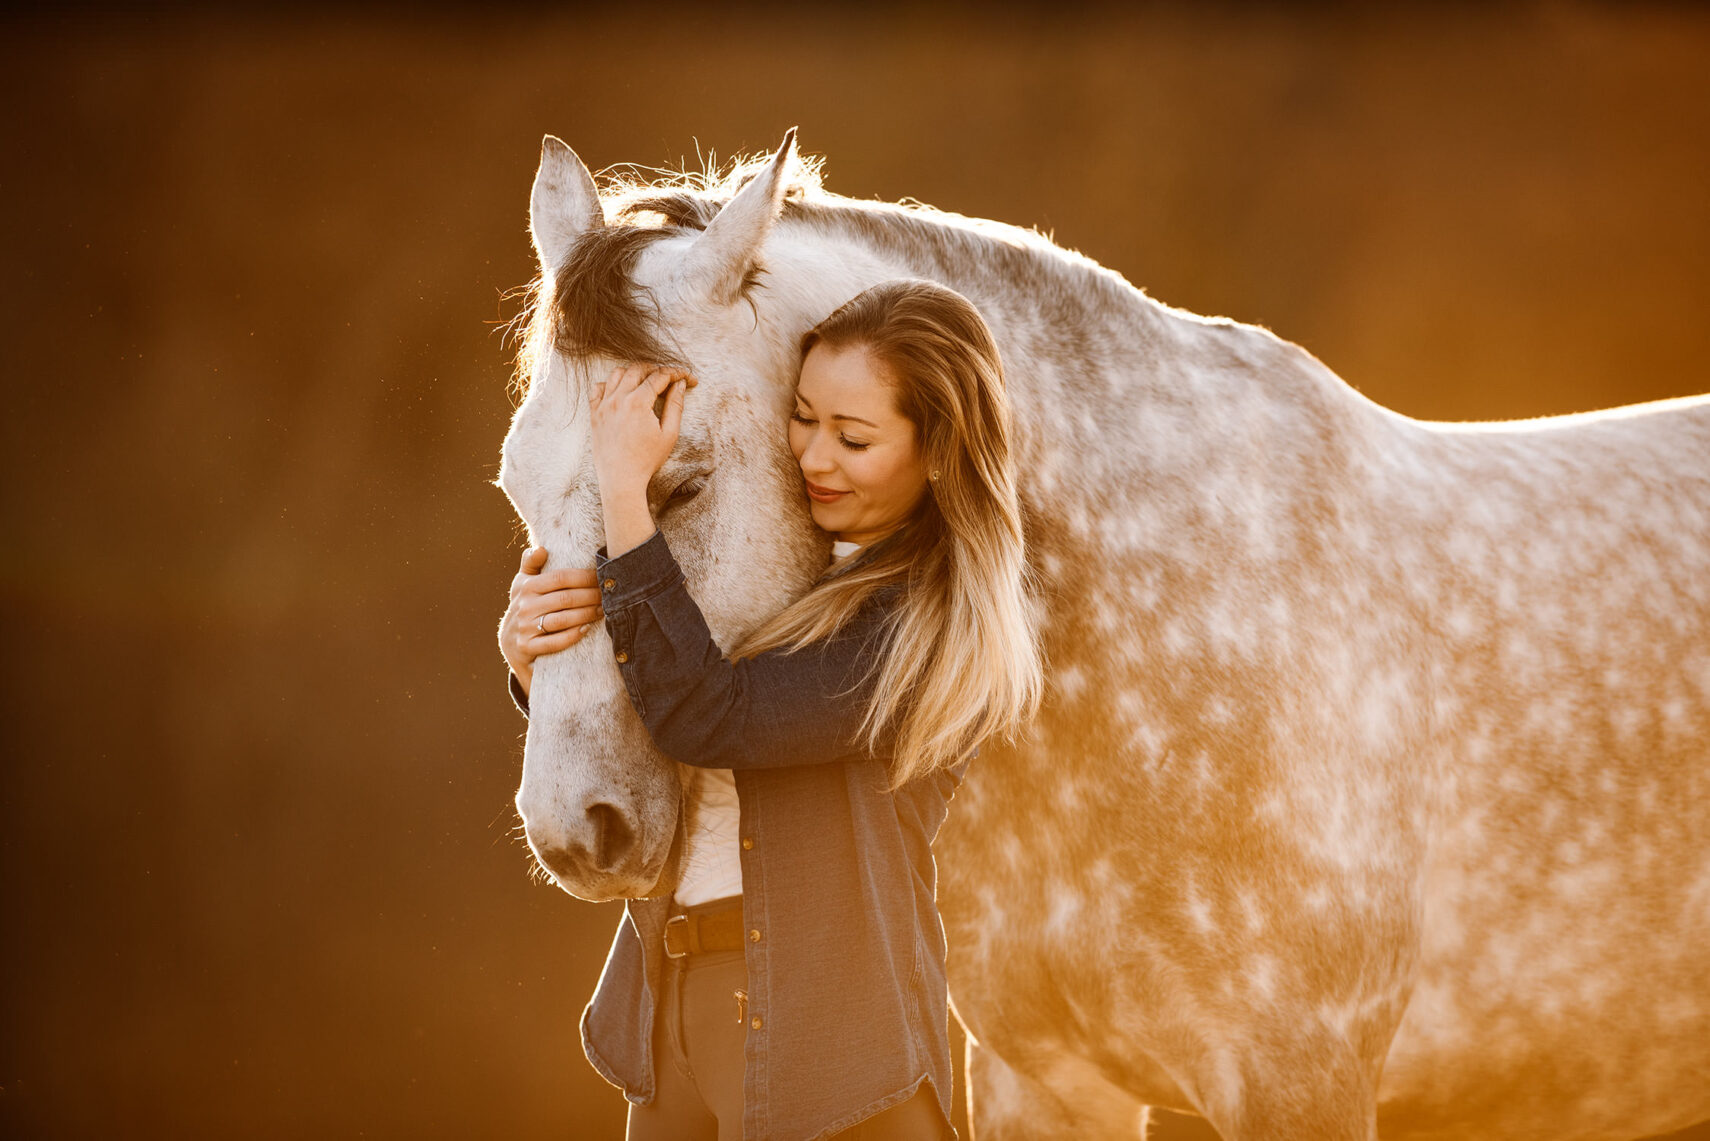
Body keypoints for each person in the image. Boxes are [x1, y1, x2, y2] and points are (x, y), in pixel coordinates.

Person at [498, 279, 1041, 1141]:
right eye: (804, 416)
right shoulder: (770, 555)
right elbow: (660, 692)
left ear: (938, 451)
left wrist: (626, 491)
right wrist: (539, 659)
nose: (815, 456)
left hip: (832, 1047)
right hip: (671, 1004)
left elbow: (714, 718)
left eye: (853, 437)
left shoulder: (927, 626)